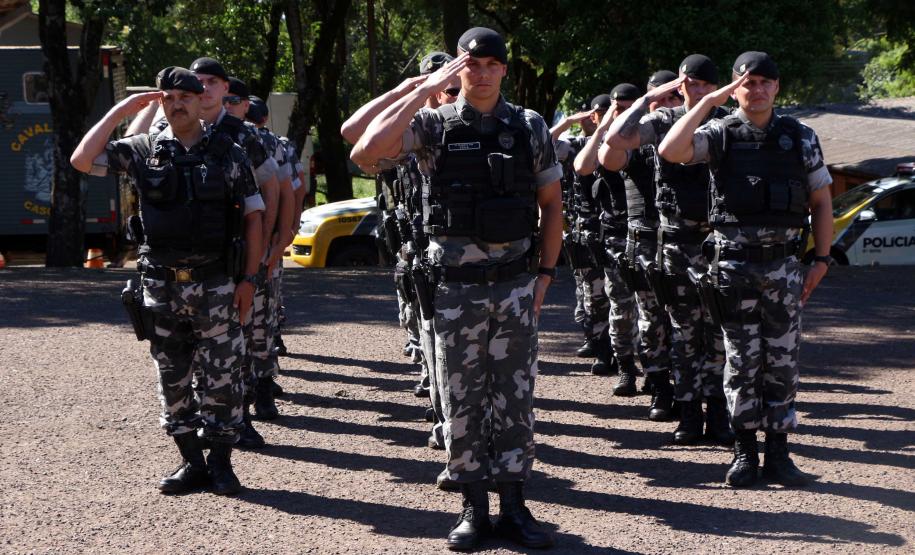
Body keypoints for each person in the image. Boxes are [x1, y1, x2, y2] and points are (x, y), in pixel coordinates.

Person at [351, 27, 562, 551]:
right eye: (472, 63)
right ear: (459, 70)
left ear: (504, 70)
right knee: (462, 399)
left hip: (515, 284)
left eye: (492, 63)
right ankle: (473, 508)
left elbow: (553, 205)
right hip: (456, 290)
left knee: (515, 399)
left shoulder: (529, 126)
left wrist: (545, 276)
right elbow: (364, 152)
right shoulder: (432, 124)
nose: (482, 71)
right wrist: (423, 89)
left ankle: (514, 506)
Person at [69, 67, 265, 495]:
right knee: (171, 378)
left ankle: (221, 464)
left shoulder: (229, 153)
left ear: (201, 102)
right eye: (169, 97)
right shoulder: (142, 151)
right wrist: (122, 109)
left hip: (216, 284)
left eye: (186, 96)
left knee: (224, 380)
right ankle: (191, 463)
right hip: (160, 287)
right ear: (162, 103)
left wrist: (250, 278)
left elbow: (254, 217)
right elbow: (82, 160)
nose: (177, 103)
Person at [657, 51, 833, 486]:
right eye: (746, 82)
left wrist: (822, 260)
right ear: (734, 88)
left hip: (784, 266)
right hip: (733, 268)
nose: (755, 90)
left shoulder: (801, 136)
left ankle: (778, 453)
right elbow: (670, 149)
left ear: (776, 87)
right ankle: (743, 452)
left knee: (783, 361)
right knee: (740, 360)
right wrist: (707, 102)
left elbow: (822, 201)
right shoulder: (719, 132)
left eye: (763, 82)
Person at [341, 52, 460, 468]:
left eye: (453, 86)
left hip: (455, 257)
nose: (448, 93)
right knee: (428, 341)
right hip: (416, 255)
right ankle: (445, 418)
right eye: (444, 85)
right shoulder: (406, 132)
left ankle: (460, 429)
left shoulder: (459, 127)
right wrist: (409, 90)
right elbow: (352, 133)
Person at [604, 54, 730, 433]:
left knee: (718, 335)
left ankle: (718, 411)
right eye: (691, 83)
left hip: (716, 243)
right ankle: (689, 411)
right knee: (684, 331)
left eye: (706, 85)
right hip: (675, 244)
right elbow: (616, 139)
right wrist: (647, 99)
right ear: (679, 83)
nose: (698, 90)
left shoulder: (727, 125)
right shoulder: (662, 121)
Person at [189, 59, 283, 422]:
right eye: (196, 83)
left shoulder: (247, 136)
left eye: (211, 82)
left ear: (225, 88)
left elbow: (273, 193)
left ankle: (241, 413)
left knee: (244, 331)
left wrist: (267, 248)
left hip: (238, 251)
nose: (204, 89)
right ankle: (207, 418)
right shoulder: (173, 130)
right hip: (194, 258)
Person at [596, 71, 681, 398]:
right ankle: (641, 374)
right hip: (641, 239)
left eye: (670, 97)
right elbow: (595, 161)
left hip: (681, 240)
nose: (665, 104)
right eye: (657, 97)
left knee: (682, 318)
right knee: (642, 313)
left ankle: (682, 386)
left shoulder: (700, 134)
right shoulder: (637, 139)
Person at [573, 84, 645, 396]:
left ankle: (658, 373)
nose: (623, 112)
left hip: (652, 236)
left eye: (630, 106)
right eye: (618, 107)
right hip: (616, 237)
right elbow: (583, 166)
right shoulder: (604, 142)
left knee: (656, 313)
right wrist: (604, 126)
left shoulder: (652, 137)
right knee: (621, 306)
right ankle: (626, 367)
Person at [552, 95, 614, 375]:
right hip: (586, 232)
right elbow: (543, 145)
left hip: (618, 231)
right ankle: (601, 349)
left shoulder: (633, 143)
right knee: (591, 294)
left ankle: (620, 350)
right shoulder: (578, 145)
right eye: (599, 112)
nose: (604, 116)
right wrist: (568, 122)